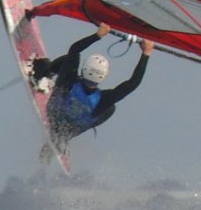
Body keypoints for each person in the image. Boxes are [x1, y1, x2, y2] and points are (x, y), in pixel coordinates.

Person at [30, 22, 153, 156]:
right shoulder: (104, 100)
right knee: (111, 108)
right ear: (104, 76)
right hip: (70, 130)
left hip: (53, 114)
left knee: (69, 60)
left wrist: (98, 35)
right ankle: (63, 137)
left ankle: (41, 75)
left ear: (84, 69)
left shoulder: (69, 80)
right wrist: (146, 53)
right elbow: (133, 83)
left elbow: (75, 49)